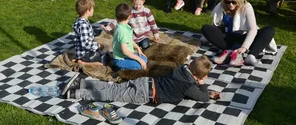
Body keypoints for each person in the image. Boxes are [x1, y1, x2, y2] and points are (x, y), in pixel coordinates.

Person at [62, 56, 215, 117]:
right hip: (146, 94)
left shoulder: (181, 69)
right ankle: (75, 92)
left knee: (114, 88)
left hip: (146, 81)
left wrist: (197, 78)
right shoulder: (188, 84)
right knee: (111, 94)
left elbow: (187, 76)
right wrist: (202, 84)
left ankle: (82, 82)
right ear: (196, 76)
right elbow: (203, 97)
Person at [201, 0, 277, 67]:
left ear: (238, 0)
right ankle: (231, 51)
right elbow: (216, 25)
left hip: (245, 37)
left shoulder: (246, 6)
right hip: (229, 38)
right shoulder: (221, 6)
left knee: (269, 30)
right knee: (206, 28)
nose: (230, 5)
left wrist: (244, 47)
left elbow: (253, 30)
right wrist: (205, 38)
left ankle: (251, 56)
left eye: (233, 2)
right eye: (228, 2)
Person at [111, 3, 148, 70]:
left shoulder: (124, 26)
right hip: (121, 59)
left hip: (127, 55)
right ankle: (119, 68)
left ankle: (130, 64)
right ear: (130, 16)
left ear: (116, 17)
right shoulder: (122, 31)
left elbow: (130, 40)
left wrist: (138, 48)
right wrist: (140, 60)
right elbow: (125, 51)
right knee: (140, 65)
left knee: (144, 58)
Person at [72, 0, 106, 64]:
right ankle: (83, 62)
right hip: (85, 53)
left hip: (82, 51)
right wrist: (97, 45)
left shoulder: (80, 20)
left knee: (104, 53)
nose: (93, 10)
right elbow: (86, 44)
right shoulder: (83, 25)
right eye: (92, 9)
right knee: (104, 59)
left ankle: (80, 59)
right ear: (87, 11)